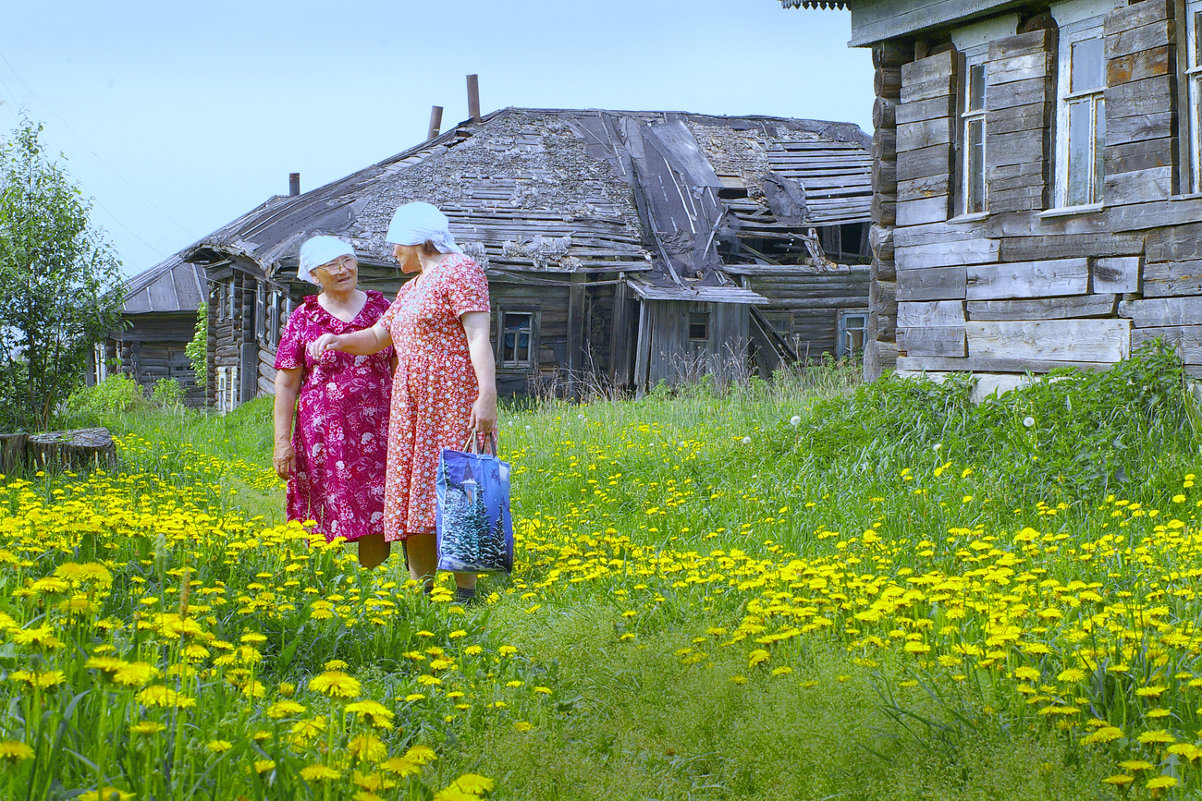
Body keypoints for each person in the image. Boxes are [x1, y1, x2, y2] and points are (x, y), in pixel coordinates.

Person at [310, 202, 498, 604]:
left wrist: (486, 396)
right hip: (411, 402)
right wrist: (340, 340)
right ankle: (422, 592)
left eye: (397, 244)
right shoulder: (410, 289)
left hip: (450, 394)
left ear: (417, 240)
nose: (393, 253)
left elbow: (478, 337)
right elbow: (379, 336)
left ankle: (466, 594)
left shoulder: (462, 271)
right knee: (414, 492)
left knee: (458, 486)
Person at [273, 235, 395, 568]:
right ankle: (323, 582)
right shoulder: (304, 318)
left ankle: (370, 585)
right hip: (322, 437)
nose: (344, 270)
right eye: (332, 265)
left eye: (348, 261)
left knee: (375, 507)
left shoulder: (382, 310)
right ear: (314, 275)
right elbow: (285, 384)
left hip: (378, 432)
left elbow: (401, 368)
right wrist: (282, 443)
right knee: (321, 508)